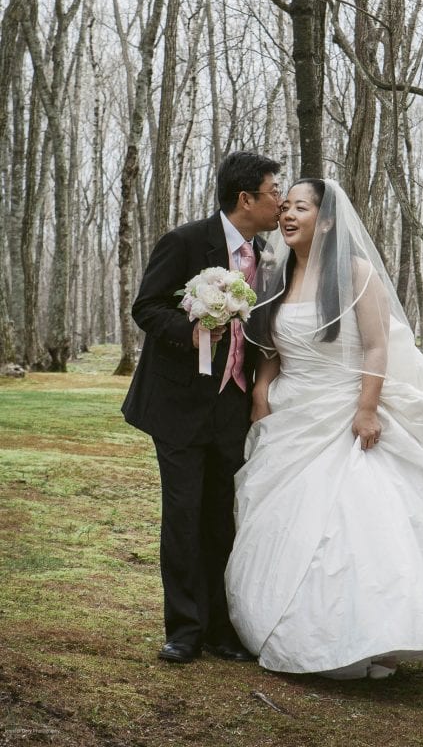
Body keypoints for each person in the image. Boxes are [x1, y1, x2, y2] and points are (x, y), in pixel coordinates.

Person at [226, 178, 423, 679]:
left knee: (357, 520)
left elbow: (375, 347)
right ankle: (289, 628)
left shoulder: (356, 274)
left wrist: (367, 409)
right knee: (285, 520)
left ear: (325, 220)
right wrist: (261, 393)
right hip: (292, 415)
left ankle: (371, 633)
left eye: (300, 207)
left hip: (345, 410)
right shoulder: (275, 276)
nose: (288, 215)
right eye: (285, 208)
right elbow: (271, 350)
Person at [121, 150, 282, 664]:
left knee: (223, 516)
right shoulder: (186, 241)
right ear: (246, 198)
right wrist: (193, 333)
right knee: (184, 515)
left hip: (233, 405)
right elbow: (145, 307)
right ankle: (185, 630)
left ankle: (220, 628)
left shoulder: (270, 257)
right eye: (274, 191)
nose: (281, 200)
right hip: (178, 405)